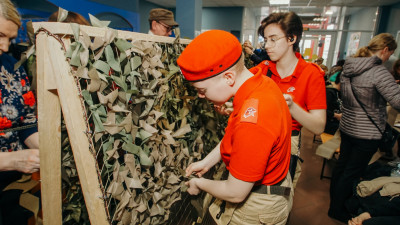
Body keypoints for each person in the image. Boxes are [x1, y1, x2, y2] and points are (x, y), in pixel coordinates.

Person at [177, 30, 293, 225]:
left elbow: (235, 193)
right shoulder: (260, 83)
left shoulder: (252, 122)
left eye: (202, 90)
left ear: (229, 77)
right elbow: (234, 137)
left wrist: (199, 183)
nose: (201, 96)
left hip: (256, 206)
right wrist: (207, 162)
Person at [328, 33, 400, 223]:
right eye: (391, 53)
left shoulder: (349, 67)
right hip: (366, 132)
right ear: (385, 50)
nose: (389, 57)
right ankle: (337, 209)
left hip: (348, 126)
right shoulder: (378, 72)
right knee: (351, 172)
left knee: (342, 167)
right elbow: (398, 101)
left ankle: (334, 203)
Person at [250, 12, 327, 188]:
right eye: (265, 40)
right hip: (257, 138)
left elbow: (318, 126)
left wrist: (292, 107)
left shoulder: (311, 74)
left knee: (277, 199)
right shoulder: (263, 68)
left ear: (292, 38)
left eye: (273, 39)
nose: (267, 46)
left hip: (286, 144)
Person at [0, 0, 40, 224]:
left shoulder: (10, 65)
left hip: (15, 184)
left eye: (10, 38)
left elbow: (26, 121)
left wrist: (47, 149)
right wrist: (9, 160)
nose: (5, 47)